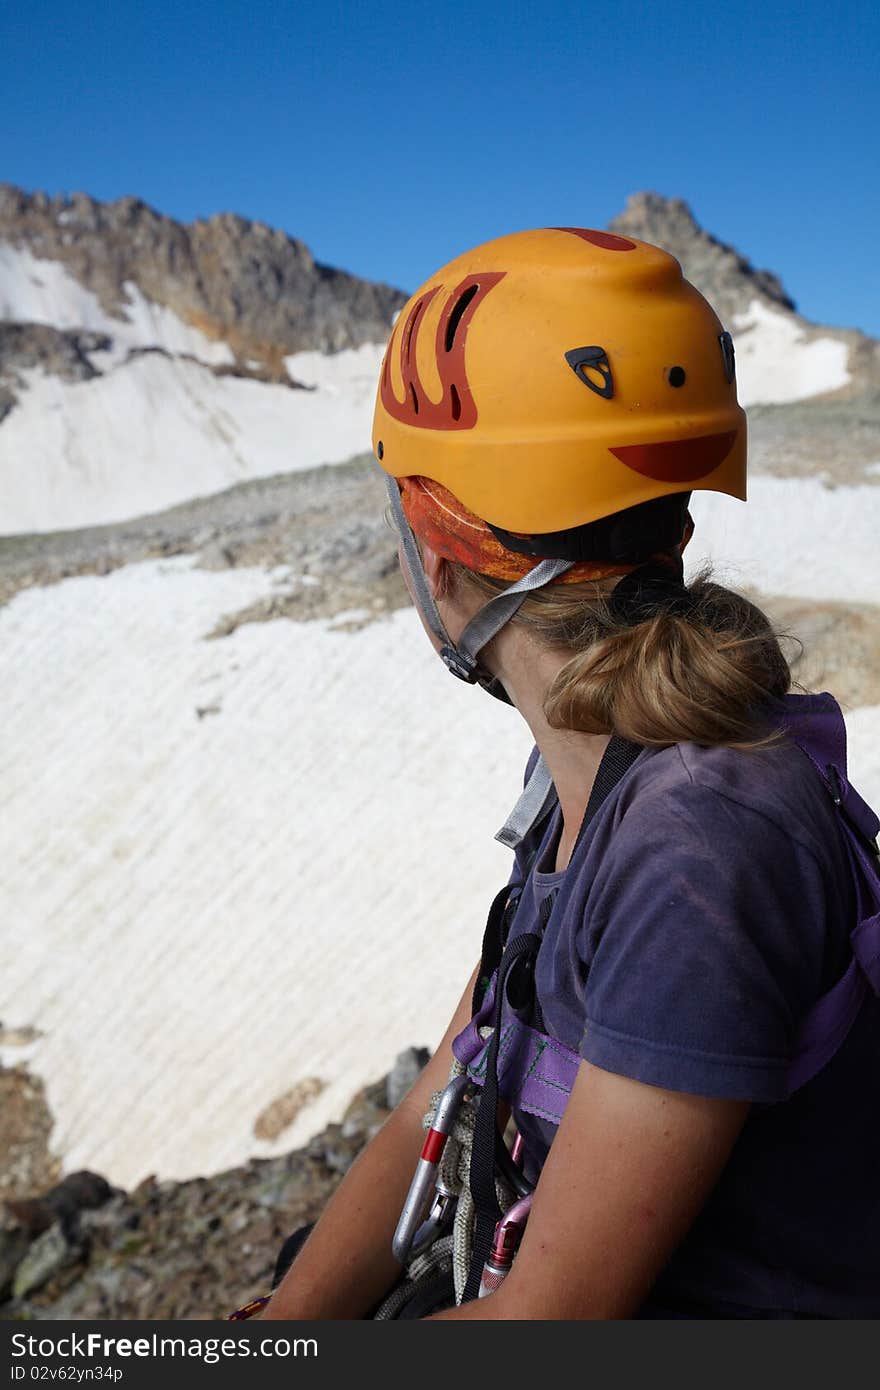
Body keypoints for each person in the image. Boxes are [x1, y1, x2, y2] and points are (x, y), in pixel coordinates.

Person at [244, 228, 880, 1320]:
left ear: (437, 558)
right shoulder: (599, 759)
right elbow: (449, 1085)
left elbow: (547, 1325)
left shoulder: (697, 844)